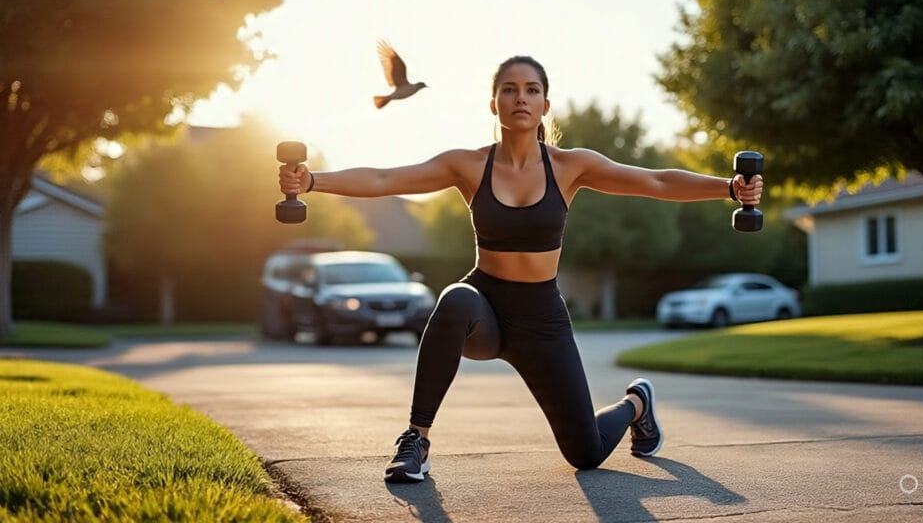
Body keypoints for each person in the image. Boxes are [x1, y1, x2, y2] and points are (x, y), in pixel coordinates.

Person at [278, 56, 763, 483]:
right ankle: (415, 442)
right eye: (509, 89)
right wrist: (314, 179)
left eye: (531, 90)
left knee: (586, 454)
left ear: (545, 106)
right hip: (484, 306)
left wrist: (728, 188)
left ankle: (637, 402)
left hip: (541, 318)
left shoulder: (571, 166)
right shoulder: (467, 165)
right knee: (453, 300)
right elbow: (386, 178)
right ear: (494, 103)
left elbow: (655, 181)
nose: (520, 98)